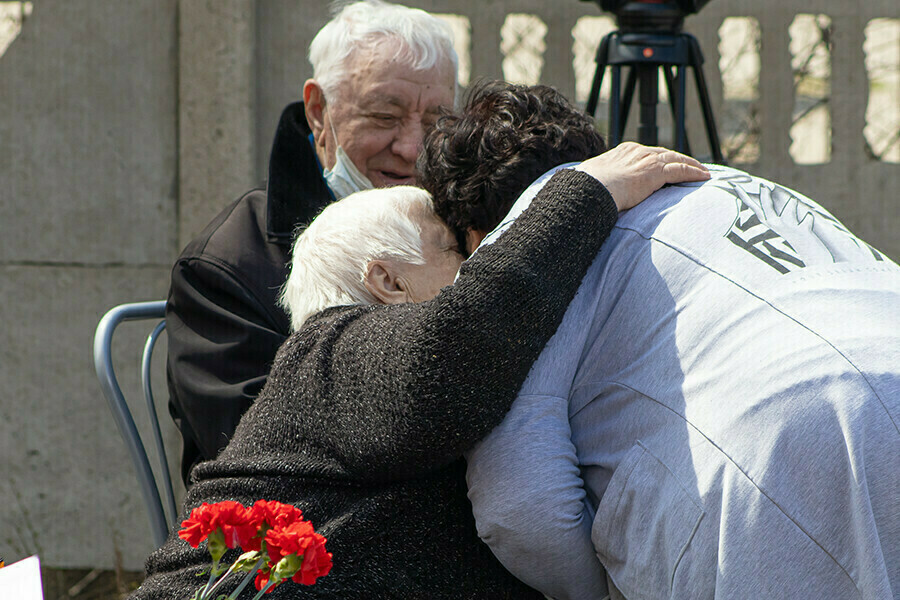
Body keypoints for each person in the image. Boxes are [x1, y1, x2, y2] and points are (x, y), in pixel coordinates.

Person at [129, 146, 710, 598]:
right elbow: (456, 349)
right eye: (453, 249)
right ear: (388, 282)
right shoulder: (330, 353)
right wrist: (583, 194)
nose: (478, 259)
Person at [418, 80, 900, 600]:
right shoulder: (717, 180)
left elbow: (520, 505)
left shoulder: (524, 247)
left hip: (777, 461)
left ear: (472, 234)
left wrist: (604, 587)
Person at [166, 0, 459, 483]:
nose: (411, 148)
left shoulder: (469, 225)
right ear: (319, 111)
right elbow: (261, 456)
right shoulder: (228, 265)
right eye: (385, 117)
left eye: (434, 124)